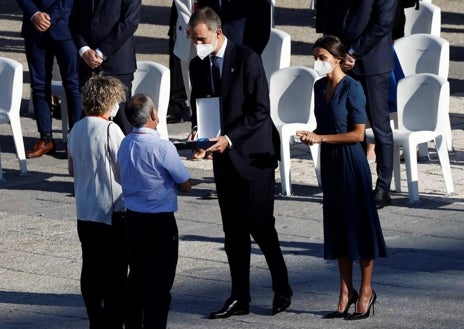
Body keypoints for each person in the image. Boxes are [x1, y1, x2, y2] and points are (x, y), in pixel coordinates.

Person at [187, 7, 292, 318]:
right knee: (232, 230)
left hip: (254, 154)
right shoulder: (198, 65)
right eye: (193, 39)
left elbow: (259, 110)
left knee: (261, 225)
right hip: (223, 157)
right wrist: (200, 134)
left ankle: (282, 286)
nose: (197, 44)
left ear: (218, 33)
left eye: (201, 38)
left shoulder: (247, 59)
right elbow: (201, 106)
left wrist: (229, 138)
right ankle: (239, 296)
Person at [296, 35, 387, 320]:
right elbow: (323, 124)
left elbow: (359, 134)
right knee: (337, 225)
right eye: (315, 57)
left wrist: (320, 137)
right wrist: (311, 137)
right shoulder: (318, 86)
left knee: (359, 225)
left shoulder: (353, 88)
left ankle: (367, 289)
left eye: (322, 57)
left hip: (351, 162)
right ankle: (345, 291)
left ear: (337, 58)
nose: (317, 62)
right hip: (331, 161)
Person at [117, 94, 191, 329]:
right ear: (153, 115)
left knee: (136, 278)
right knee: (159, 283)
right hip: (159, 221)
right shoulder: (162, 147)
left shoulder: (126, 142)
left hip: (133, 219)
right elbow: (185, 182)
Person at [316, 0, 398, 209]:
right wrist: (338, 54)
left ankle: (383, 187)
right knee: (348, 123)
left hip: (373, 63)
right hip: (343, 62)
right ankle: (354, 181)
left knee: (380, 126)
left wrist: (353, 52)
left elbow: (383, 22)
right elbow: (331, 16)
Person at [67, 74, 127, 329]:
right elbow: (123, 168)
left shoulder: (76, 128)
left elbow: (71, 169)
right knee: (115, 269)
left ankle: (95, 317)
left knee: (90, 266)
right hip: (110, 210)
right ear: (109, 101)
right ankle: (113, 317)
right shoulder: (111, 129)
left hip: (85, 209)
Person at [17, 0, 82, 158]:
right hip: (34, 28)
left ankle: (75, 141)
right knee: (39, 85)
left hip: (65, 27)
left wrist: (49, 17)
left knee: (73, 86)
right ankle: (45, 138)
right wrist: (34, 14)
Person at [70, 0, 141, 135]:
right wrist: (84, 50)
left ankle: (125, 155)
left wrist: (101, 52)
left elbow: (129, 21)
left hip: (117, 64)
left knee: (122, 119)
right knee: (88, 119)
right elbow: (74, 20)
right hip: (88, 63)